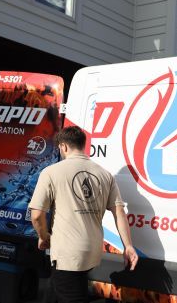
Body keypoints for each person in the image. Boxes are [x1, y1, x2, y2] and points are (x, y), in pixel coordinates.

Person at [29, 126, 138, 303]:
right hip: (91, 251)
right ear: (83, 145)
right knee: (54, 291)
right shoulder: (105, 175)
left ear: (63, 146)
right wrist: (128, 246)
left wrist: (43, 236)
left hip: (67, 253)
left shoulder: (51, 172)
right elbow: (119, 212)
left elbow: (36, 215)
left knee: (71, 294)